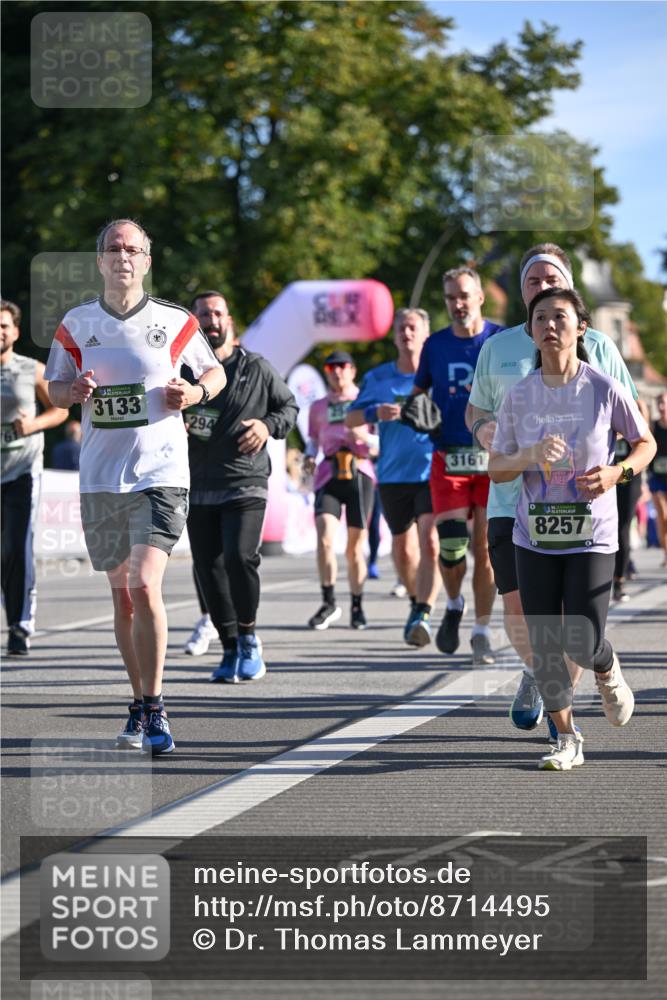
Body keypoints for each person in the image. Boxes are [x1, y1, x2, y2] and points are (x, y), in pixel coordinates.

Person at [44, 219, 226, 755]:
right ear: (99, 261)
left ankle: (158, 704)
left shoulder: (174, 321)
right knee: (122, 598)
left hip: (161, 474)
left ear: (147, 261)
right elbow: (54, 390)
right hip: (101, 477)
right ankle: (139, 702)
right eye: (113, 249)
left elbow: (213, 375)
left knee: (146, 584)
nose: (122, 256)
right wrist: (71, 389)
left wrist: (192, 394)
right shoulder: (76, 324)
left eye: (133, 249)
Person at [467, 243, 639, 740]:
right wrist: (483, 432)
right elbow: (476, 410)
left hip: (580, 505)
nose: (542, 289)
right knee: (519, 611)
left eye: (551, 279)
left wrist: (616, 473)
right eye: (532, 282)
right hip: (511, 500)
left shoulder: (600, 346)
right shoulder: (497, 348)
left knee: (572, 626)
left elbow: (629, 423)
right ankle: (546, 685)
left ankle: (556, 699)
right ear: (522, 292)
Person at [489, 287, 655, 770]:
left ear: (581, 327)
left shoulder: (602, 387)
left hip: (593, 532)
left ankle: (605, 665)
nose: (549, 324)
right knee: (544, 641)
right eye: (539, 317)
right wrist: (530, 456)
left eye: (559, 316)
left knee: (581, 637)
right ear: (531, 331)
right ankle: (567, 737)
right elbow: (498, 467)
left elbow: (644, 443)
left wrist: (616, 473)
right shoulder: (520, 395)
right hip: (534, 533)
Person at [185, 290, 298, 683]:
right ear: (194, 321)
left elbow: (289, 408)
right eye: (204, 314)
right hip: (198, 483)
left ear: (229, 319)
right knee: (208, 569)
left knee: (238, 557)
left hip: (245, 481)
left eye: (217, 313)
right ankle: (229, 645)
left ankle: (249, 640)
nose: (212, 320)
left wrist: (267, 426)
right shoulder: (184, 369)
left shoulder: (257, 367)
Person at [412, 268, 502, 664]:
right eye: (451, 298)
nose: (458, 304)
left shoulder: (502, 340)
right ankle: (453, 603)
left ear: (480, 297)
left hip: (494, 457)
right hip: (448, 454)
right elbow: (418, 394)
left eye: (464, 295)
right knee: (450, 547)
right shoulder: (435, 345)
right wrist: (416, 411)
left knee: (484, 549)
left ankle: (481, 630)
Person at [346, 308, 439, 647]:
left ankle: (425, 610)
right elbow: (350, 418)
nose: (406, 333)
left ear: (425, 334)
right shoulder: (379, 377)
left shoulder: (437, 375)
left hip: (432, 471)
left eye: (413, 327)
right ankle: (417, 602)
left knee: (429, 542)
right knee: (402, 551)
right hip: (392, 475)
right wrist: (374, 412)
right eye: (401, 328)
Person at [1, 299, 68, 655]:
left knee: (16, 546)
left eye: (3, 326)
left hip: (22, 470)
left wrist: (34, 425)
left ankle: (19, 625)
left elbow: (60, 408)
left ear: (15, 331)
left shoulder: (31, 369)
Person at [304, 351, 376, 630]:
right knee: (324, 540)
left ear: (353, 370)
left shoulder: (365, 401)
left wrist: (364, 437)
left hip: (359, 472)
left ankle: (357, 606)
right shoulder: (319, 406)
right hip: (328, 475)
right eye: (330, 367)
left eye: (342, 366)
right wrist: (310, 456)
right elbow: (312, 440)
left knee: (354, 548)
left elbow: (380, 443)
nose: (336, 371)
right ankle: (329, 601)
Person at [613, 397, 650, 601]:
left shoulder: (638, 427)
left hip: (628, 481)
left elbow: (644, 457)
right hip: (606, 481)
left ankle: (619, 580)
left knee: (622, 528)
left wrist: (623, 476)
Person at [648, 392, 667, 567]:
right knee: (662, 514)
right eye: (659, 403)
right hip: (657, 478)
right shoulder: (653, 426)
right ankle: (666, 552)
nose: (661, 407)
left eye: (664, 403)